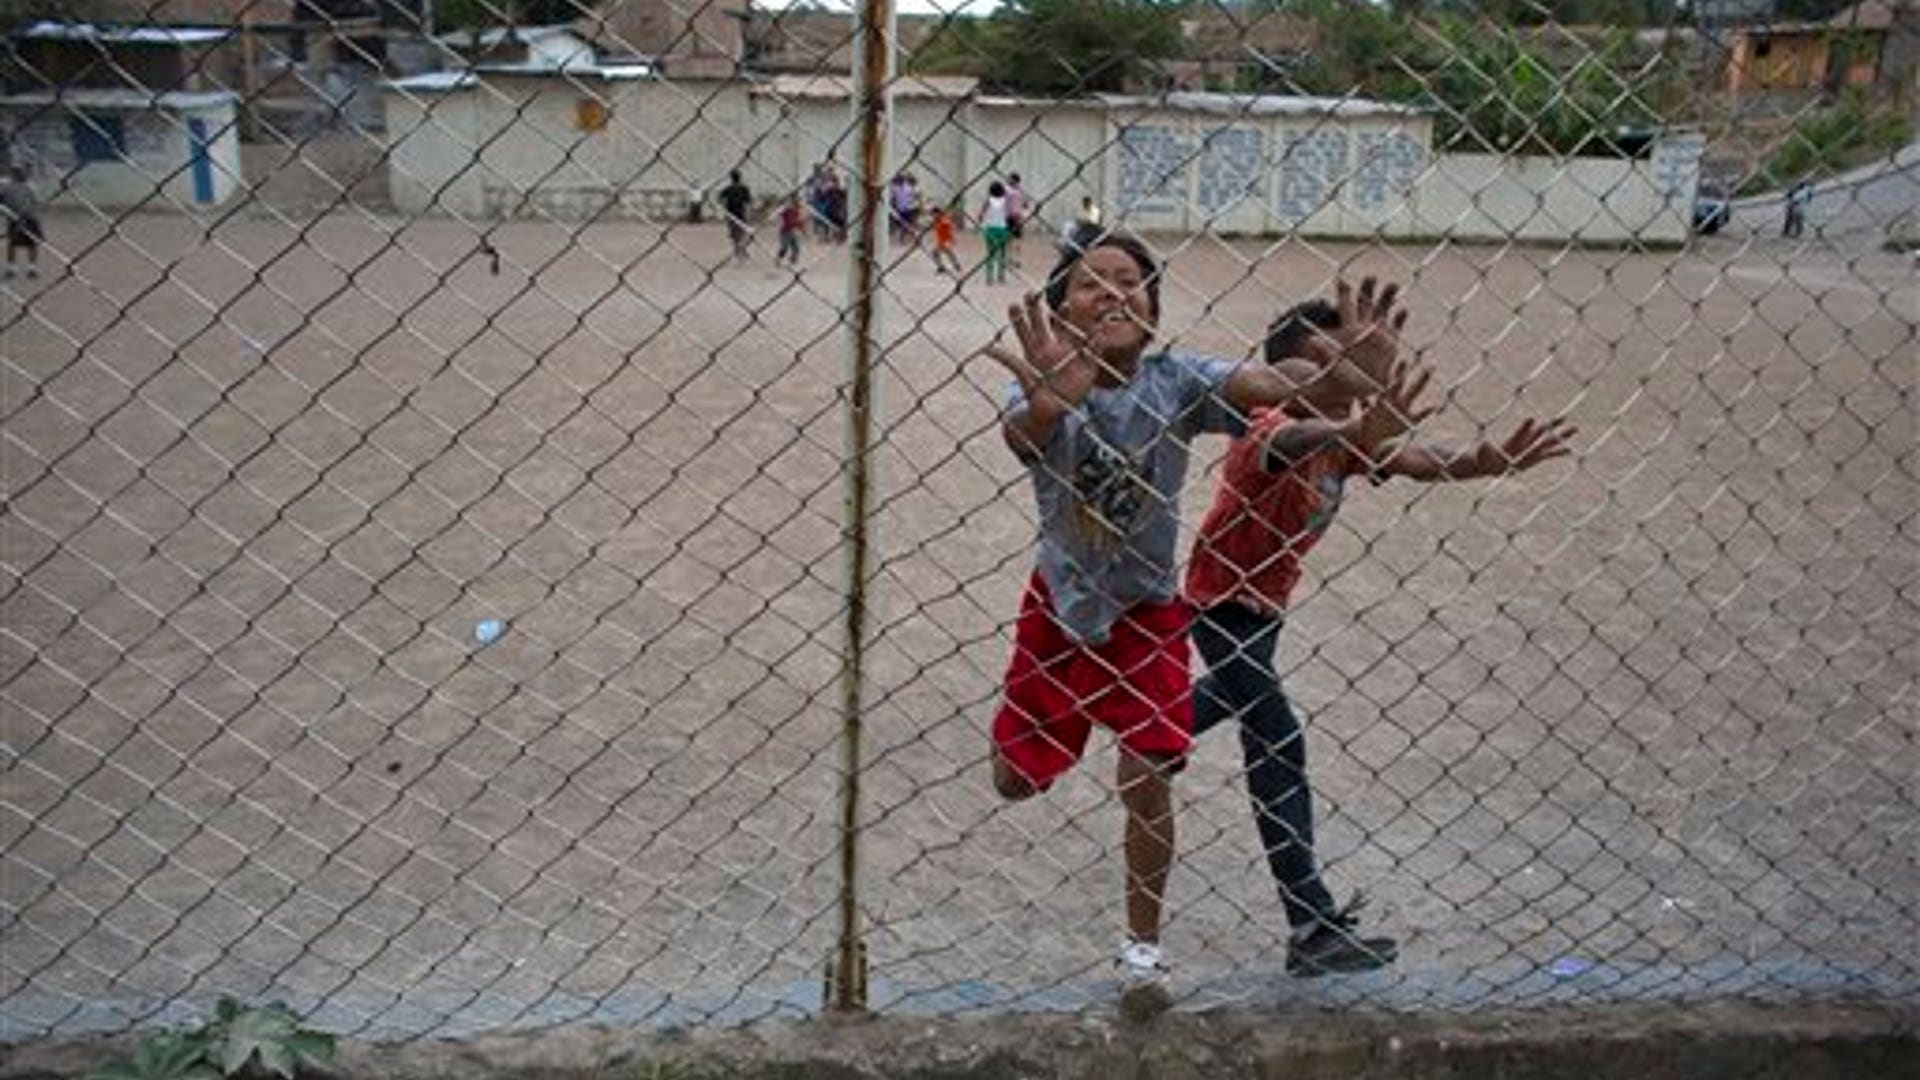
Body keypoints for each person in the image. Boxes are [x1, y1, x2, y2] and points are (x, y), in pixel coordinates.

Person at [980, 237, 1412, 1000]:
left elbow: (1275, 384)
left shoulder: (1177, 379)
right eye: (1090, 285)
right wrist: (1049, 404)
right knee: (1014, 781)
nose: (1113, 293)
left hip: (1148, 613)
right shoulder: (1046, 385)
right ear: (1060, 312)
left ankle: (1141, 950)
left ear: (1152, 317)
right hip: (1058, 610)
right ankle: (1085, 719)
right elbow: (1025, 433)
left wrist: (1350, 380)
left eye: (1131, 283)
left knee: (1147, 772)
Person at [1184, 298, 1577, 977]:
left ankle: (1130, 720)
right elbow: (1281, 447)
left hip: (1265, 612)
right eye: (1329, 357)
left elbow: (1412, 456)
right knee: (1276, 738)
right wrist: (1354, 425)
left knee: (1216, 707)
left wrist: (1487, 460)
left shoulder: (1348, 433)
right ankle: (1310, 926)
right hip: (1218, 606)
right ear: (1288, 371)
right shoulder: (1269, 423)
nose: (1348, 366)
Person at [3, 165, 42, 280]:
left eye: (23, 172)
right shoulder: (6, 186)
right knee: (12, 243)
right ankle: (11, 268)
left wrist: (25, 214)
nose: (22, 174)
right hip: (14, 218)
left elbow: (36, 202)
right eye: (18, 172)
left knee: (33, 243)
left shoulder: (30, 186)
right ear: (14, 174)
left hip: (30, 218)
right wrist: (10, 213)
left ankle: (32, 268)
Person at [979, 181, 1012, 285]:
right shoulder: (1004, 201)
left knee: (990, 253)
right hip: (1002, 229)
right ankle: (1001, 277)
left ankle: (989, 278)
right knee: (1002, 253)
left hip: (990, 229)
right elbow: (1007, 214)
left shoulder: (988, 200)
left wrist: (982, 220)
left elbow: (980, 214)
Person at [719, 169, 753, 264]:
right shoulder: (744, 188)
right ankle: (742, 254)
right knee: (743, 235)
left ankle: (738, 254)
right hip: (742, 214)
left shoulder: (728, 188)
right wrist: (748, 215)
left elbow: (720, 198)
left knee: (734, 236)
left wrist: (724, 209)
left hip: (731, 215)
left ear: (731, 178)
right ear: (740, 178)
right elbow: (748, 203)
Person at [929, 204, 962, 276]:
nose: (933, 215)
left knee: (947, 253)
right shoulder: (936, 220)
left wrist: (952, 239)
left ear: (938, 213)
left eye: (934, 214)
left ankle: (949, 266)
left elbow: (949, 226)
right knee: (941, 253)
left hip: (946, 240)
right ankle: (946, 266)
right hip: (941, 241)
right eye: (932, 214)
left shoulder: (944, 220)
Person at [776, 192, 804, 270]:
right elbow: (779, 214)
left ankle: (793, 261)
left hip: (793, 229)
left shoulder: (797, 208)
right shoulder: (785, 209)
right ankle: (779, 259)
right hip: (785, 230)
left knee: (796, 247)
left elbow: (799, 218)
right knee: (784, 247)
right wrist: (784, 207)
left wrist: (801, 228)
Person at [1004, 173, 1027, 267]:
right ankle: (1011, 259)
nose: (1008, 180)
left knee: (1014, 239)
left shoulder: (1009, 190)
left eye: (1010, 179)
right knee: (1011, 239)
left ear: (1015, 180)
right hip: (1012, 217)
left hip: (1013, 217)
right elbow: (1025, 204)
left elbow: (1025, 204)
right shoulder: (1019, 191)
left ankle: (1014, 260)